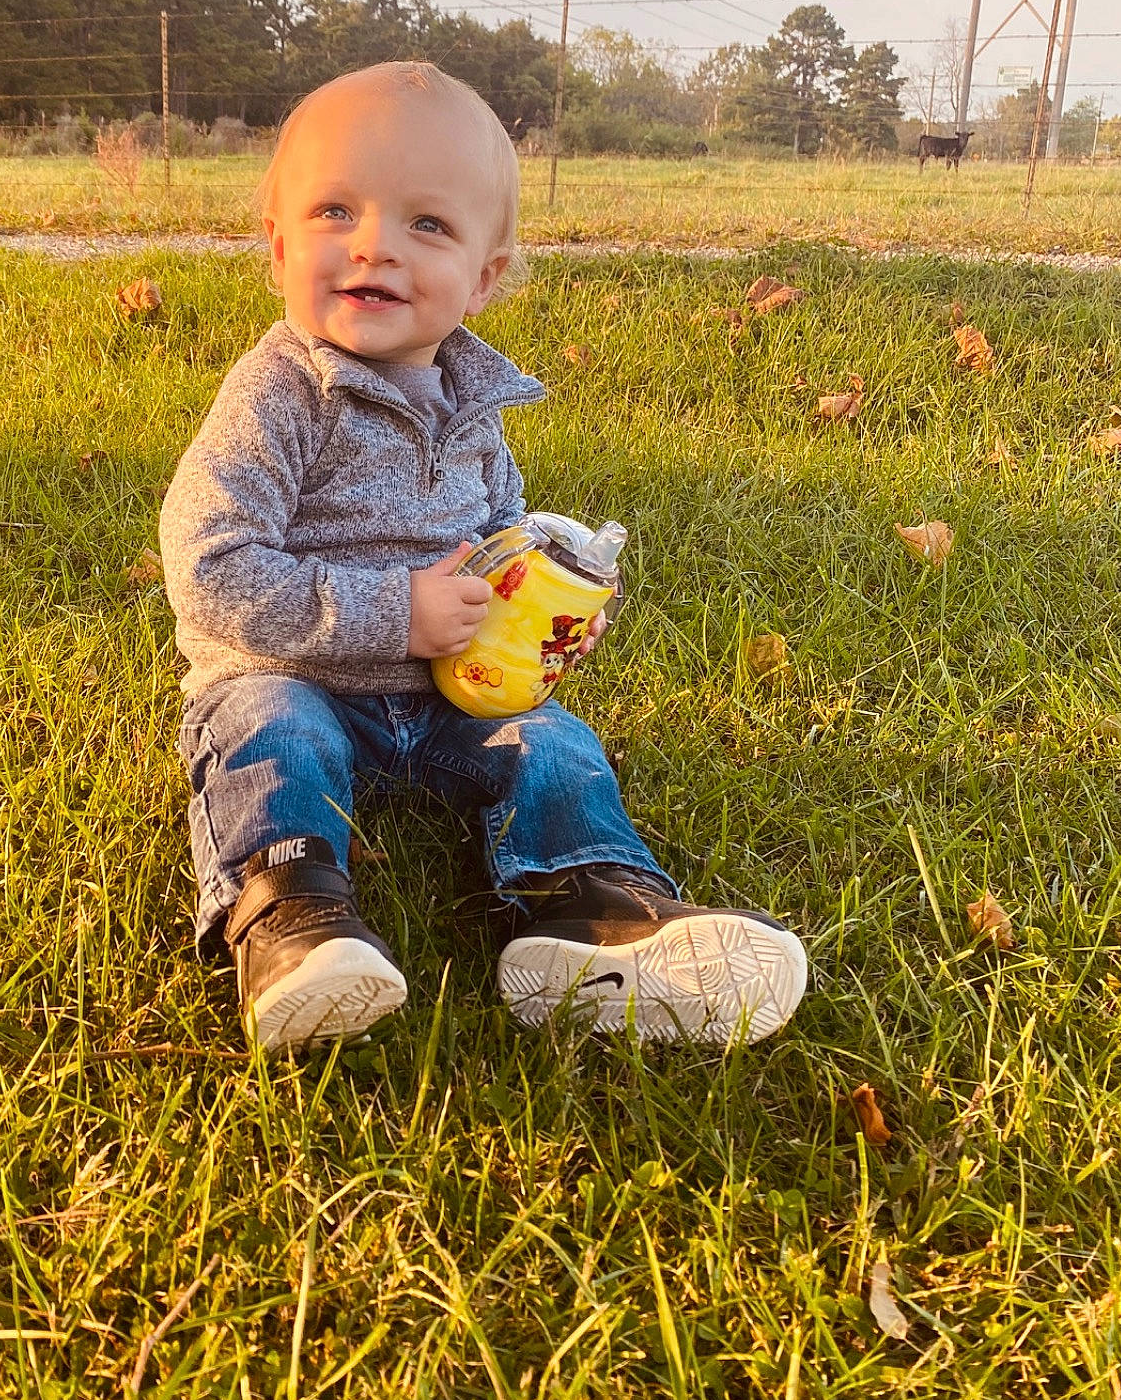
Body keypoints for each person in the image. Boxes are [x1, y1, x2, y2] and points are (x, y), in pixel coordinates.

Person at [159, 61, 807, 1055]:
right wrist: (394, 610)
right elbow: (208, 563)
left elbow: (503, 548)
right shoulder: (278, 394)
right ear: (279, 244)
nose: (374, 242)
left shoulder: (474, 414)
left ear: (485, 276)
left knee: (550, 743)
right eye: (336, 210)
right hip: (291, 673)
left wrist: (548, 613)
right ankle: (289, 917)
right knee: (269, 731)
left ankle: (592, 908)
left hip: (444, 695)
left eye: (427, 225)